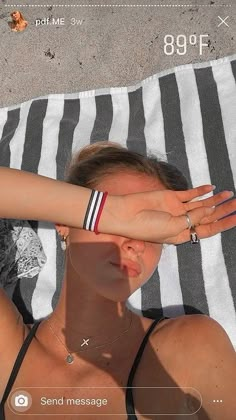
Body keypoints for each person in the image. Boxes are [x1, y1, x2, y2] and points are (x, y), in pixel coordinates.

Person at [0, 141, 236, 420]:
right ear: (63, 224)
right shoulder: (8, 349)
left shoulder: (189, 345)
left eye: (153, 228)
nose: (135, 243)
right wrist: (106, 211)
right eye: (122, 224)